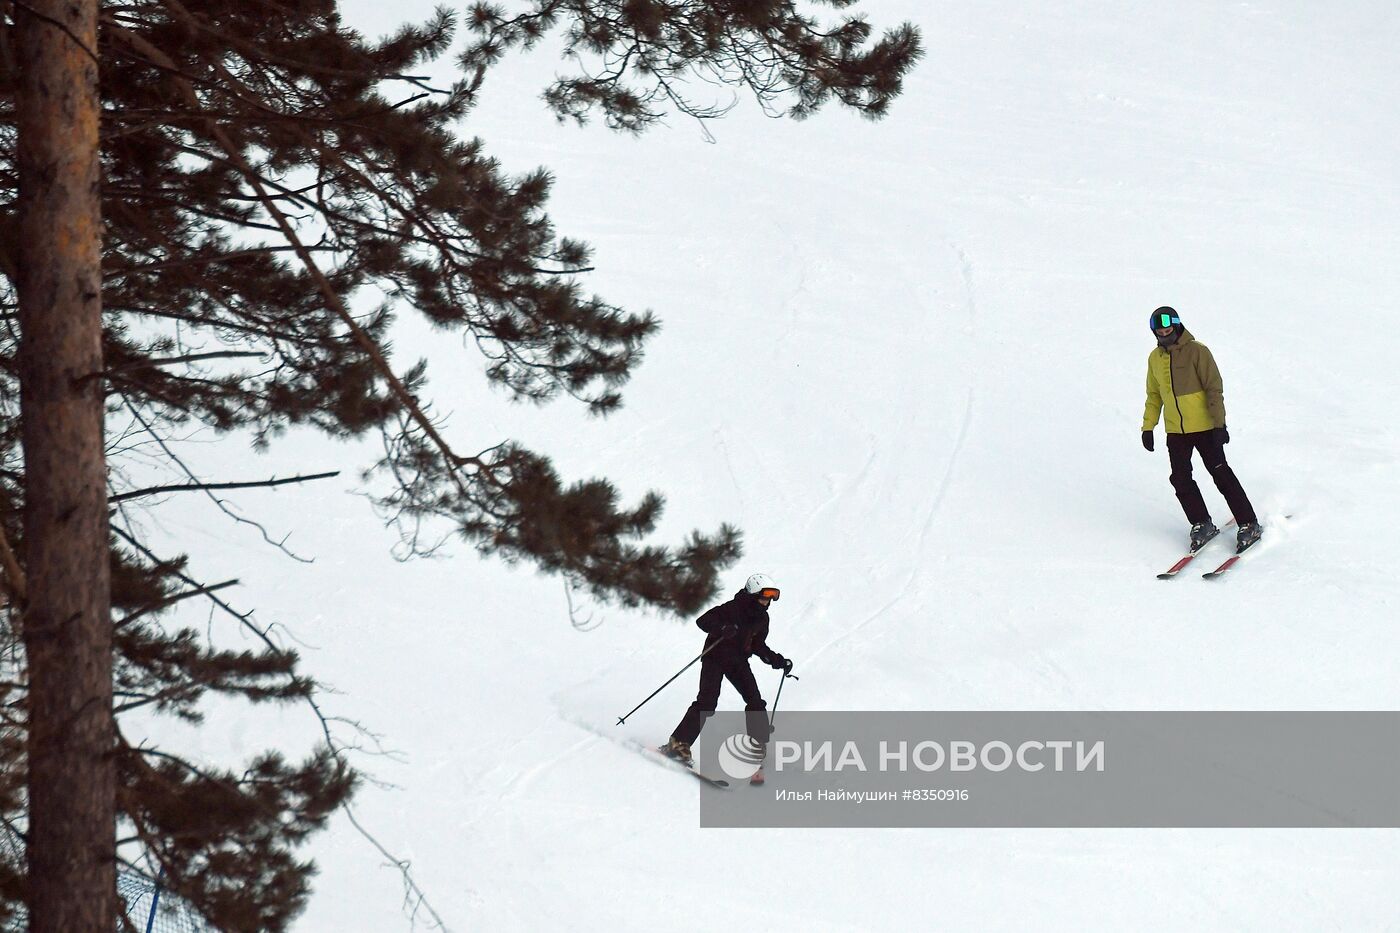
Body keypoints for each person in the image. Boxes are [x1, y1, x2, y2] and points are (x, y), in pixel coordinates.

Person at [1141, 307, 1262, 553]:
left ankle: (1248, 523)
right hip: (1176, 431)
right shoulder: (1155, 358)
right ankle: (1201, 523)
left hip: (1206, 428)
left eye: (1167, 326)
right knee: (1180, 478)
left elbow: (1213, 389)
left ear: (1176, 325)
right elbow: (1154, 396)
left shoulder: (1198, 351)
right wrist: (1148, 427)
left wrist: (1220, 425)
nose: (1164, 331)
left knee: (1221, 474)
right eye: (1158, 328)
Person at [664, 573, 792, 769]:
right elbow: (703, 621)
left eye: (771, 597)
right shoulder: (732, 608)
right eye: (764, 596)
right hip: (715, 657)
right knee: (707, 702)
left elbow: (758, 645)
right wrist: (722, 627)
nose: (768, 601)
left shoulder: (762, 618)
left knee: (755, 701)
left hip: (738, 662)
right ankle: (678, 745)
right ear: (752, 594)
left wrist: (777, 660)